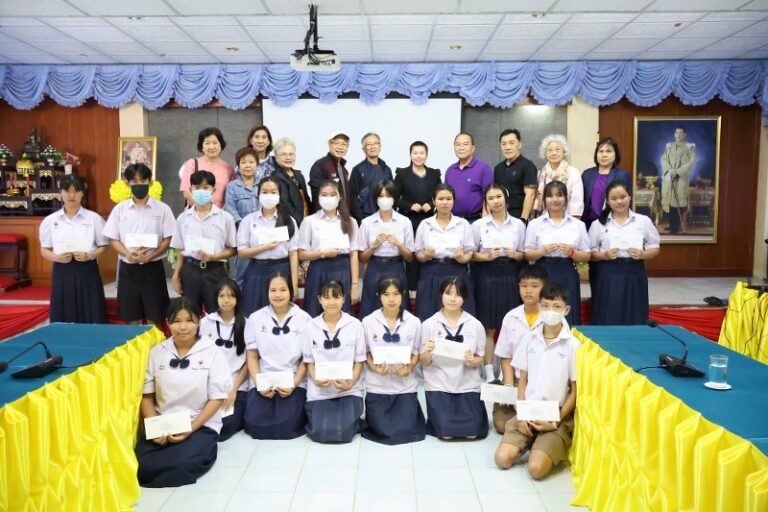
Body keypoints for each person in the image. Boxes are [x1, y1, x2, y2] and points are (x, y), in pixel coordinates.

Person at [135, 298, 231, 488]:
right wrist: (155, 428)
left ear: (199, 321)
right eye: (177, 321)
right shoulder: (157, 352)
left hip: (199, 423)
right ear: (167, 322)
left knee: (181, 465)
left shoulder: (213, 352)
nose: (183, 327)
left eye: (189, 320)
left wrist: (191, 428)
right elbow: (147, 396)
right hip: (164, 422)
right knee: (140, 466)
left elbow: (217, 398)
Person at [494, 283, 578, 481]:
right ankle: (530, 441)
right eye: (546, 306)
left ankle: (544, 446)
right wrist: (522, 414)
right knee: (501, 460)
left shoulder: (572, 345)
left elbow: (575, 391)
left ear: (566, 310)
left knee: (535, 470)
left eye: (557, 307)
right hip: (529, 410)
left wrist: (555, 420)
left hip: (555, 415)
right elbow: (522, 380)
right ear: (540, 306)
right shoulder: (529, 338)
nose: (551, 311)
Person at [103, 163, 175, 325]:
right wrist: (128, 254)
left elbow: (169, 238)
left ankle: (155, 342)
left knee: (155, 316)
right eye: (134, 181)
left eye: (143, 180)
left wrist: (151, 256)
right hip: (128, 269)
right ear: (127, 183)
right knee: (131, 317)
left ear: (150, 182)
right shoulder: (119, 210)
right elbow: (112, 238)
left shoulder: (163, 209)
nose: (139, 185)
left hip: (153, 268)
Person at [244, 271, 312, 439]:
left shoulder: (304, 319)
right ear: (267, 292)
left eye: (282, 290)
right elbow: (252, 356)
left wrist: (294, 384)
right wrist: (259, 384)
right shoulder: (255, 318)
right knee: (254, 423)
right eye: (273, 290)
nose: (278, 295)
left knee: (289, 424)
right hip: (264, 378)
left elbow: (306, 359)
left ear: (291, 291)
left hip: (292, 379)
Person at [419, 277, 488, 440]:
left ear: (464, 298)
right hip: (439, 384)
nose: (452, 299)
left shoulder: (475, 324)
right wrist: (428, 352)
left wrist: (472, 361)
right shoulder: (429, 324)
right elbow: (423, 361)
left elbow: (481, 358)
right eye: (448, 293)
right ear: (441, 295)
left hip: (467, 383)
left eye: (458, 294)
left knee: (472, 433)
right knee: (446, 433)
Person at [361, 275, 426, 445]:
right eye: (386, 294)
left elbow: (416, 353)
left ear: (402, 295)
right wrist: (374, 368)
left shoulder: (414, 322)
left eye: (396, 294)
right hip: (377, 384)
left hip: (404, 384)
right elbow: (365, 353)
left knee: (405, 430)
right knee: (381, 431)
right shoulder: (368, 321)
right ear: (379, 296)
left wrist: (408, 368)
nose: (391, 299)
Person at [471, 184, 526, 382]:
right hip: (486, 274)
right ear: (486, 202)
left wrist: (515, 255)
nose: (496, 201)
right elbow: (471, 254)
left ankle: (506, 371)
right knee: (488, 326)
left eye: (498, 196)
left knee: (510, 325)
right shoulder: (478, 225)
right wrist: (486, 257)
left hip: (510, 273)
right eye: (491, 198)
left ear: (506, 198)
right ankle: (488, 372)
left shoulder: (518, 225)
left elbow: (524, 253)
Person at [303, 280, 367, 443]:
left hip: (349, 390)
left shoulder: (355, 325)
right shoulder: (310, 326)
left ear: (344, 299)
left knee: (342, 432)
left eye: (336, 297)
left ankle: (354, 420)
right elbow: (309, 362)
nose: (331, 302)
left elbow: (359, 361)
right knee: (320, 432)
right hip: (320, 390)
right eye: (326, 297)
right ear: (319, 299)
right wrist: (316, 380)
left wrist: (350, 383)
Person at [588, 181, 660, 325]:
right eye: (614, 198)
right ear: (608, 201)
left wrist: (643, 254)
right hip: (608, 272)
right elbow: (590, 253)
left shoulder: (643, 221)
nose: (619, 201)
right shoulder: (598, 224)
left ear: (630, 197)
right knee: (608, 313)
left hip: (635, 270)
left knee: (635, 312)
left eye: (622, 197)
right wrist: (604, 255)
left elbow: (655, 246)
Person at [39, 174, 107, 323]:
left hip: (87, 269)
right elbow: (44, 249)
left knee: (92, 310)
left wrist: (90, 256)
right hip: (62, 269)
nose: (72, 195)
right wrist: (56, 257)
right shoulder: (50, 220)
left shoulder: (94, 218)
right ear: (61, 193)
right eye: (67, 191)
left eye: (76, 191)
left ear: (82, 193)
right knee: (64, 312)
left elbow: (103, 246)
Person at [171, 170, 237, 316]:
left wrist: (214, 256)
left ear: (214, 190)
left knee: (217, 313)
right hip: (190, 270)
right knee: (190, 313)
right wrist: (176, 275)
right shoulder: (183, 218)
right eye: (197, 188)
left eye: (206, 188)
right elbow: (180, 250)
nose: (201, 191)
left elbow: (233, 249)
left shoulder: (225, 218)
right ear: (191, 190)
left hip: (215, 270)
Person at [524, 181, 590, 326]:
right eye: (550, 196)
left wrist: (572, 252)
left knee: (567, 309)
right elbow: (527, 254)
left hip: (568, 270)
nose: (555, 199)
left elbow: (586, 255)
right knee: (544, 309)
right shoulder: (535, 224)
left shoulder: (577, 224)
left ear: (566, 198)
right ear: (544, 200)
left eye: (559, 195)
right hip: (543, 270)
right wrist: (543, 250)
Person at [492, 264, 548, 434]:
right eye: (524, 286)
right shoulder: (511, 317)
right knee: (501, 425)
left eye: (534, 286)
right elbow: (506, 356)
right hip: (515, 380)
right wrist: (509, 384)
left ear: (544, 287)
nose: (528, 290)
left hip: (541, 383)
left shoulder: (551, 318)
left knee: (538, 423)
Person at [237, 176, 299, 316]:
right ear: (258, 194)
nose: (269, 195)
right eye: (264, 192)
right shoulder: (248, 220)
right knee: (253, 314)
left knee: (280, 314)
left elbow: (293, 253)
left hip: (282, 270)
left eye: (273, 192)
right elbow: (241, 252)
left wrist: (294, 285)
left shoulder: (289, 221)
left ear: (279, 195)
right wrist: (264, 247)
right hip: (256, 271)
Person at [414, 184, 476, 321]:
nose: (445, 202)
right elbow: (418, 254)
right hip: (431, 271)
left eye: (448, 199)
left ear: (454, 200)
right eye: (441, 199)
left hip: (456, 270)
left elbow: (469, 253)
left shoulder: (463, 224)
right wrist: (426, 256)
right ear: (434, 200)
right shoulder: (425, 224)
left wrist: (462, 258)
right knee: (428, 315)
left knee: (459, 316)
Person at [298, 180, 360, 317]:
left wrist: (355, 285)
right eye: (324, 195)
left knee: (343, 313)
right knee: (314, 311)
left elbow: (354, 254)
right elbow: (301, 254)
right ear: (319, 197)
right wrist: (322, 253)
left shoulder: (350, 222)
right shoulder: (309, 221)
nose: (328, 198)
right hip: (318, 269)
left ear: (340, 196)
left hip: (343, 269)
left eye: (333, 194)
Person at [198, 279, 248, 441]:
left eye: (231, 295)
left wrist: (233, 390)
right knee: (204, 420)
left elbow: (249, 362)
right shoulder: (205, 323)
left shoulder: (246, 324)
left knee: (226, 425)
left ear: (238, 298)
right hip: (210, 383)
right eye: (222, 296)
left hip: (236, 385)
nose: (226, 300)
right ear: (216, 298)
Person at [357, 179, 414, 318]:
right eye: (381, 196)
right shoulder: (367, 223)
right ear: (376, 199)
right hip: (375, 267)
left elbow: (410, 257)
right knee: (372, 309)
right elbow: (362, 258)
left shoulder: (404, 222)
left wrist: (399, 244)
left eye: (388, 196)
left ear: (394, 198)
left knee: (398, 310)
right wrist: (373, 247)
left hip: (397, 267)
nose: (385, 200)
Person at [393, 141, 442, 295]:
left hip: (429, 221)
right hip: (409, 221)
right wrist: (409, 206)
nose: (418, 156)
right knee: (412, 257)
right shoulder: (402, 173)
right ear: (410, 154)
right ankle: (412, 292)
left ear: (426, 155)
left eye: (422, 153)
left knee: (428, 253)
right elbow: (393, 197)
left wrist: (431, 204)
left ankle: (428, 289)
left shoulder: (434, 174)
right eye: (415, 153)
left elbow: (440, 194)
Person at [581, 137, 633, 231]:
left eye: (609, 151)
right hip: (588, 224)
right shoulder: (587, 174)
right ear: (596, 154)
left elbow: (627, 203)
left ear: (615, 154)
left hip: (612, 223)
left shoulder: (622, 175)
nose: (604, 155)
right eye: (601, 151)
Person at [225, 147, 260, 285]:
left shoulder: (263, 184)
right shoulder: (232, 186)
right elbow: (230, 208)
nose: (247, 165)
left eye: (251, 162)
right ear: (238, 166)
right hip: (241, 234)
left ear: (257, 165)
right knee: (241, 275)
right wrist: (242, 225)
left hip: (261, 233)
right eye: (243, 162)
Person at [179, 127, 234, 208]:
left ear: (221, 145)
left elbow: (231, 195)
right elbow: (186, 192)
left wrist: (218, 212)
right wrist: (204, 210)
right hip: (196, 212)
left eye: (215, 143)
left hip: (220, 213)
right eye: (207, 143)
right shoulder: (192, 164)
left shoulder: (228, 168)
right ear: (201, 146)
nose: (211, 147)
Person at [444, 132, 493, 222]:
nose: (461, 148)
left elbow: (489, 197)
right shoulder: (450, 170)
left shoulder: (483, 168)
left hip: (474, 220)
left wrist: (484, 222)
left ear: (473, 148)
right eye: (458, 144)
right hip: (453, 221)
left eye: (465, 144)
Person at [493, 129, 538, 223]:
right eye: (503, 144)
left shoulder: (528, 166)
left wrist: (523, 220)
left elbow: (530, 195)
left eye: (511, 143)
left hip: (518, 218)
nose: (507, 147)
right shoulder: (498, 168)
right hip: (500, 218)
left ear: (519, 144)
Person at [535, 135, 584, 218]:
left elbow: (577, 200)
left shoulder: (573, 172)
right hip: (544, 218)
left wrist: (574, 220)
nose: (554, 153)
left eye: (557, 149)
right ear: (545, 154)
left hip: (567, 218)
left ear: (564, 152)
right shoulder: (540, 174)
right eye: (550, 150)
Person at [349, 132, 393, 223]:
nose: (373, 147)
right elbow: (352, 197)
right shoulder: (358, 169)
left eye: (375, 143)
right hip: (366, 218)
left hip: (386, 217)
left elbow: (392, 194)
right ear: (363, 149)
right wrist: (360, 219)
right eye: (368, 144)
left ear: (380, 146)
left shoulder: (386, 169)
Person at [661, 126, 696, 234]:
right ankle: (672, 225)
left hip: (680, 179)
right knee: (671, 202)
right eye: (676, 133)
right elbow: (664, 159)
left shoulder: (689, 148)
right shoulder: (669, 147)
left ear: (685, 134)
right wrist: (669, 169)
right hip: (670, 177)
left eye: (681, 133)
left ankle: (676, 227)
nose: (678, 135)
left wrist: (677, 172)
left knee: (678, 202)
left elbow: (690, 163)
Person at [270, 137, 313, 225]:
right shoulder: (276, 177)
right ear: (276, 157)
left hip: (306, 221)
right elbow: (285, 205)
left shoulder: (299, 175)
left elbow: (307, 200)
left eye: (291, 154)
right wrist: (301, 223)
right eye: (284, 154)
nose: (288, 157)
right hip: (292, 224)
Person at [309, 131, 351, 211]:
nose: (340, 147)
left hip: (343, 215)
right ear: (329, 144)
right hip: (325, 215)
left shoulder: (344, 170)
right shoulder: (320, 165)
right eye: (336, 143)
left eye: (344, 144)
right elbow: (318, 195)